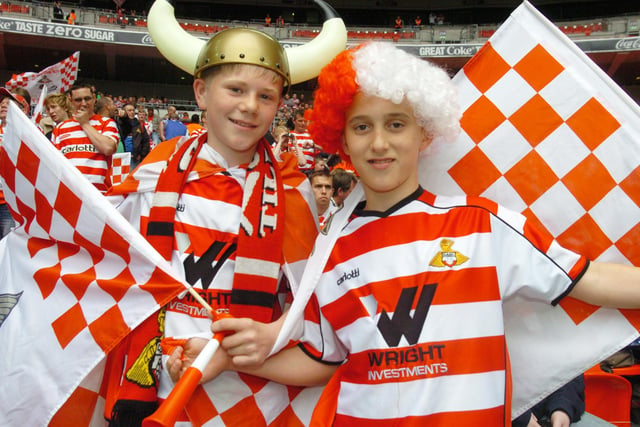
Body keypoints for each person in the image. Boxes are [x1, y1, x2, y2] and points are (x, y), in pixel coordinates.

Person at [171, 41, 640, 426]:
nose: (379, 143)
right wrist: (233, 359)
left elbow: (591, 279)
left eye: (396, 124)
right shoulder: (329, 250)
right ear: (341, 139)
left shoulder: (480, 223)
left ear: (424, 133)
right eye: (361, 127)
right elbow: (321, 361)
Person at [102, 0, 346, 425]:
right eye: (235, 89)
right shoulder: (156, 169)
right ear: (200, 91)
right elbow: (107, 257)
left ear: (279, 105)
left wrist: (267, 337)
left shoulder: (293, 187)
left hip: (252, 397)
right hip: (151, 383)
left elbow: (313, 301)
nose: (250, 106)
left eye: (266, 96)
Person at [52, 83, 119, 193]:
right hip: (70, 191)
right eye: (78, 100)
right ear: (71, 101)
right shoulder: (61, 128)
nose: (83, 103)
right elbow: (55, 162)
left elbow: (108, 148)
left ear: (94, 98)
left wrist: (85, 124)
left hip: (98, 193)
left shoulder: (106, 123)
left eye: (87, 98)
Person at [513, 375, 585, 427]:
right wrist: (520, 417)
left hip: (549, 410)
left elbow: (571, 366)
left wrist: (562, 408)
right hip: (510, 416)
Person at [118, 102, 150, 169]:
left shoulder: (139, 125)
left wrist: (141, 154)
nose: (132, 112)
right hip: (121, 157)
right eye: (129, 110)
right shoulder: (119, 123)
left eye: (133, 110)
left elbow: (146, 141)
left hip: (135, 159)